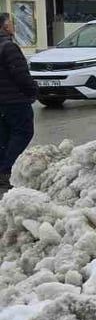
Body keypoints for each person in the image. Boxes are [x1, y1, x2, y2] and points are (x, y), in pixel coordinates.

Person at [0, 13, 36, 191]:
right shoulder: (9, 47)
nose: (13, 26)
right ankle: (7, 171)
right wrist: (33, 91)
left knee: (4, 137)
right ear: (5, 26)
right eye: (11, 23)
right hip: (15, 101)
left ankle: (3, 170)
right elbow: (21, 75)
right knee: (23, 132)